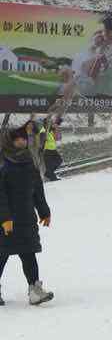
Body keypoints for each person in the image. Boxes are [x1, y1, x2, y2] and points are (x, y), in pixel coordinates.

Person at [0, 125, 54, 306]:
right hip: (7, 220)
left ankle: (34, 289)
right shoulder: (3, 163)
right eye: (17, 138)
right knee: (2, 255)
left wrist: (44, 211)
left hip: (26, 219)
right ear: (10, 141)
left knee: (29, 253)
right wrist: (5, 218)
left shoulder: (29, 161)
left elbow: (37, 189)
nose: (21, 141)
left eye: (23, 138)